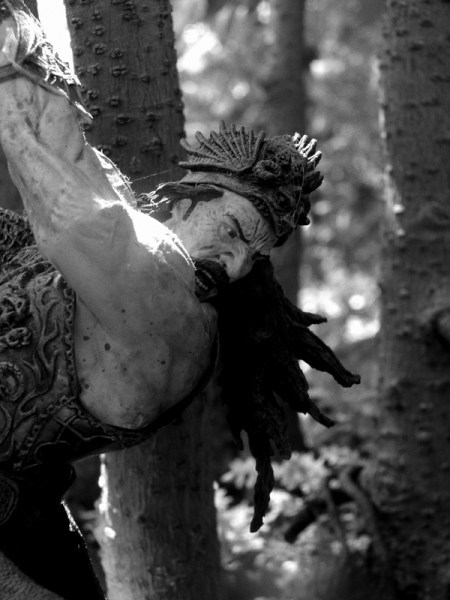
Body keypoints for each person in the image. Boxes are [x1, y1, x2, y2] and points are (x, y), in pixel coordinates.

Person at [0, 1, 360, 598]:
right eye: (237, 232)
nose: (237, 264)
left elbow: (63, 191)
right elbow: (78, 170)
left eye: (255, 255)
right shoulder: (133, 235)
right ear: (188, 196)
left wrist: (15, 48)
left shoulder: (175, 311)